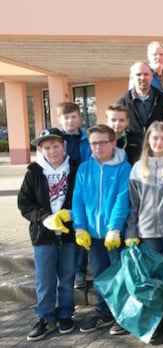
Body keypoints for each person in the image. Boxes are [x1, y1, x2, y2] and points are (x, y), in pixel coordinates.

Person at [125, 121, 163, 337]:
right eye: (155, 138)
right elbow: (134, 204)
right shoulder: (138, 167)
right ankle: (156, 314)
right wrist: (131, 231)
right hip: (146, 230)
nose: (159, 142)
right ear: (148, 141)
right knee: (153, 275)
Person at [18, 128, 79, 341]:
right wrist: (44, 217)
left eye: (55, 146)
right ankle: (46, 316)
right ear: (41, 150)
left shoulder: (75, 168)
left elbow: (81, 196)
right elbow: (24, 203)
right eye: (46, 147)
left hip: (69, 234)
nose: (52, 150)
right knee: (44, 278)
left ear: (63, 146)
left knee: (67, 275)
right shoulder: (34, 172)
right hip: (43, 234)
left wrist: (72, 213)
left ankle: (65, 314)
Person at [72, 124, 131, 334]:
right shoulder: (84, 168)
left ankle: (122, 315)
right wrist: (79, 227)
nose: (98, 147)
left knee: (119, 275)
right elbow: (77, 200)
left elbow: (122, 200)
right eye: (94, 143)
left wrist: (115, 228)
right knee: (99, 275)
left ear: (113, 142)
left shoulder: (124, 168)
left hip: (114, 235)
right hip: (93, 236)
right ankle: (103, 313)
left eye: (103, 142)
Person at [55, 102, 91, 290]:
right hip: (62, 190)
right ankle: (64, 271)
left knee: (81, 228)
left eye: (73, 116)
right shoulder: (57, 139)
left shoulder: (87, 138)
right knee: (65, 233)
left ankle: (80, 271)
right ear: (60, 119)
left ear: (80, 118)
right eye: (66, 117)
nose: (70, 121)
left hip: (83, 188)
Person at [117, 61, 163, 164]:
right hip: (133, 157)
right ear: (132, 77)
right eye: (138, 74)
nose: (143, 77)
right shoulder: (122, 102)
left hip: (160, 155)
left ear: (151, 77)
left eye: (146, 74)